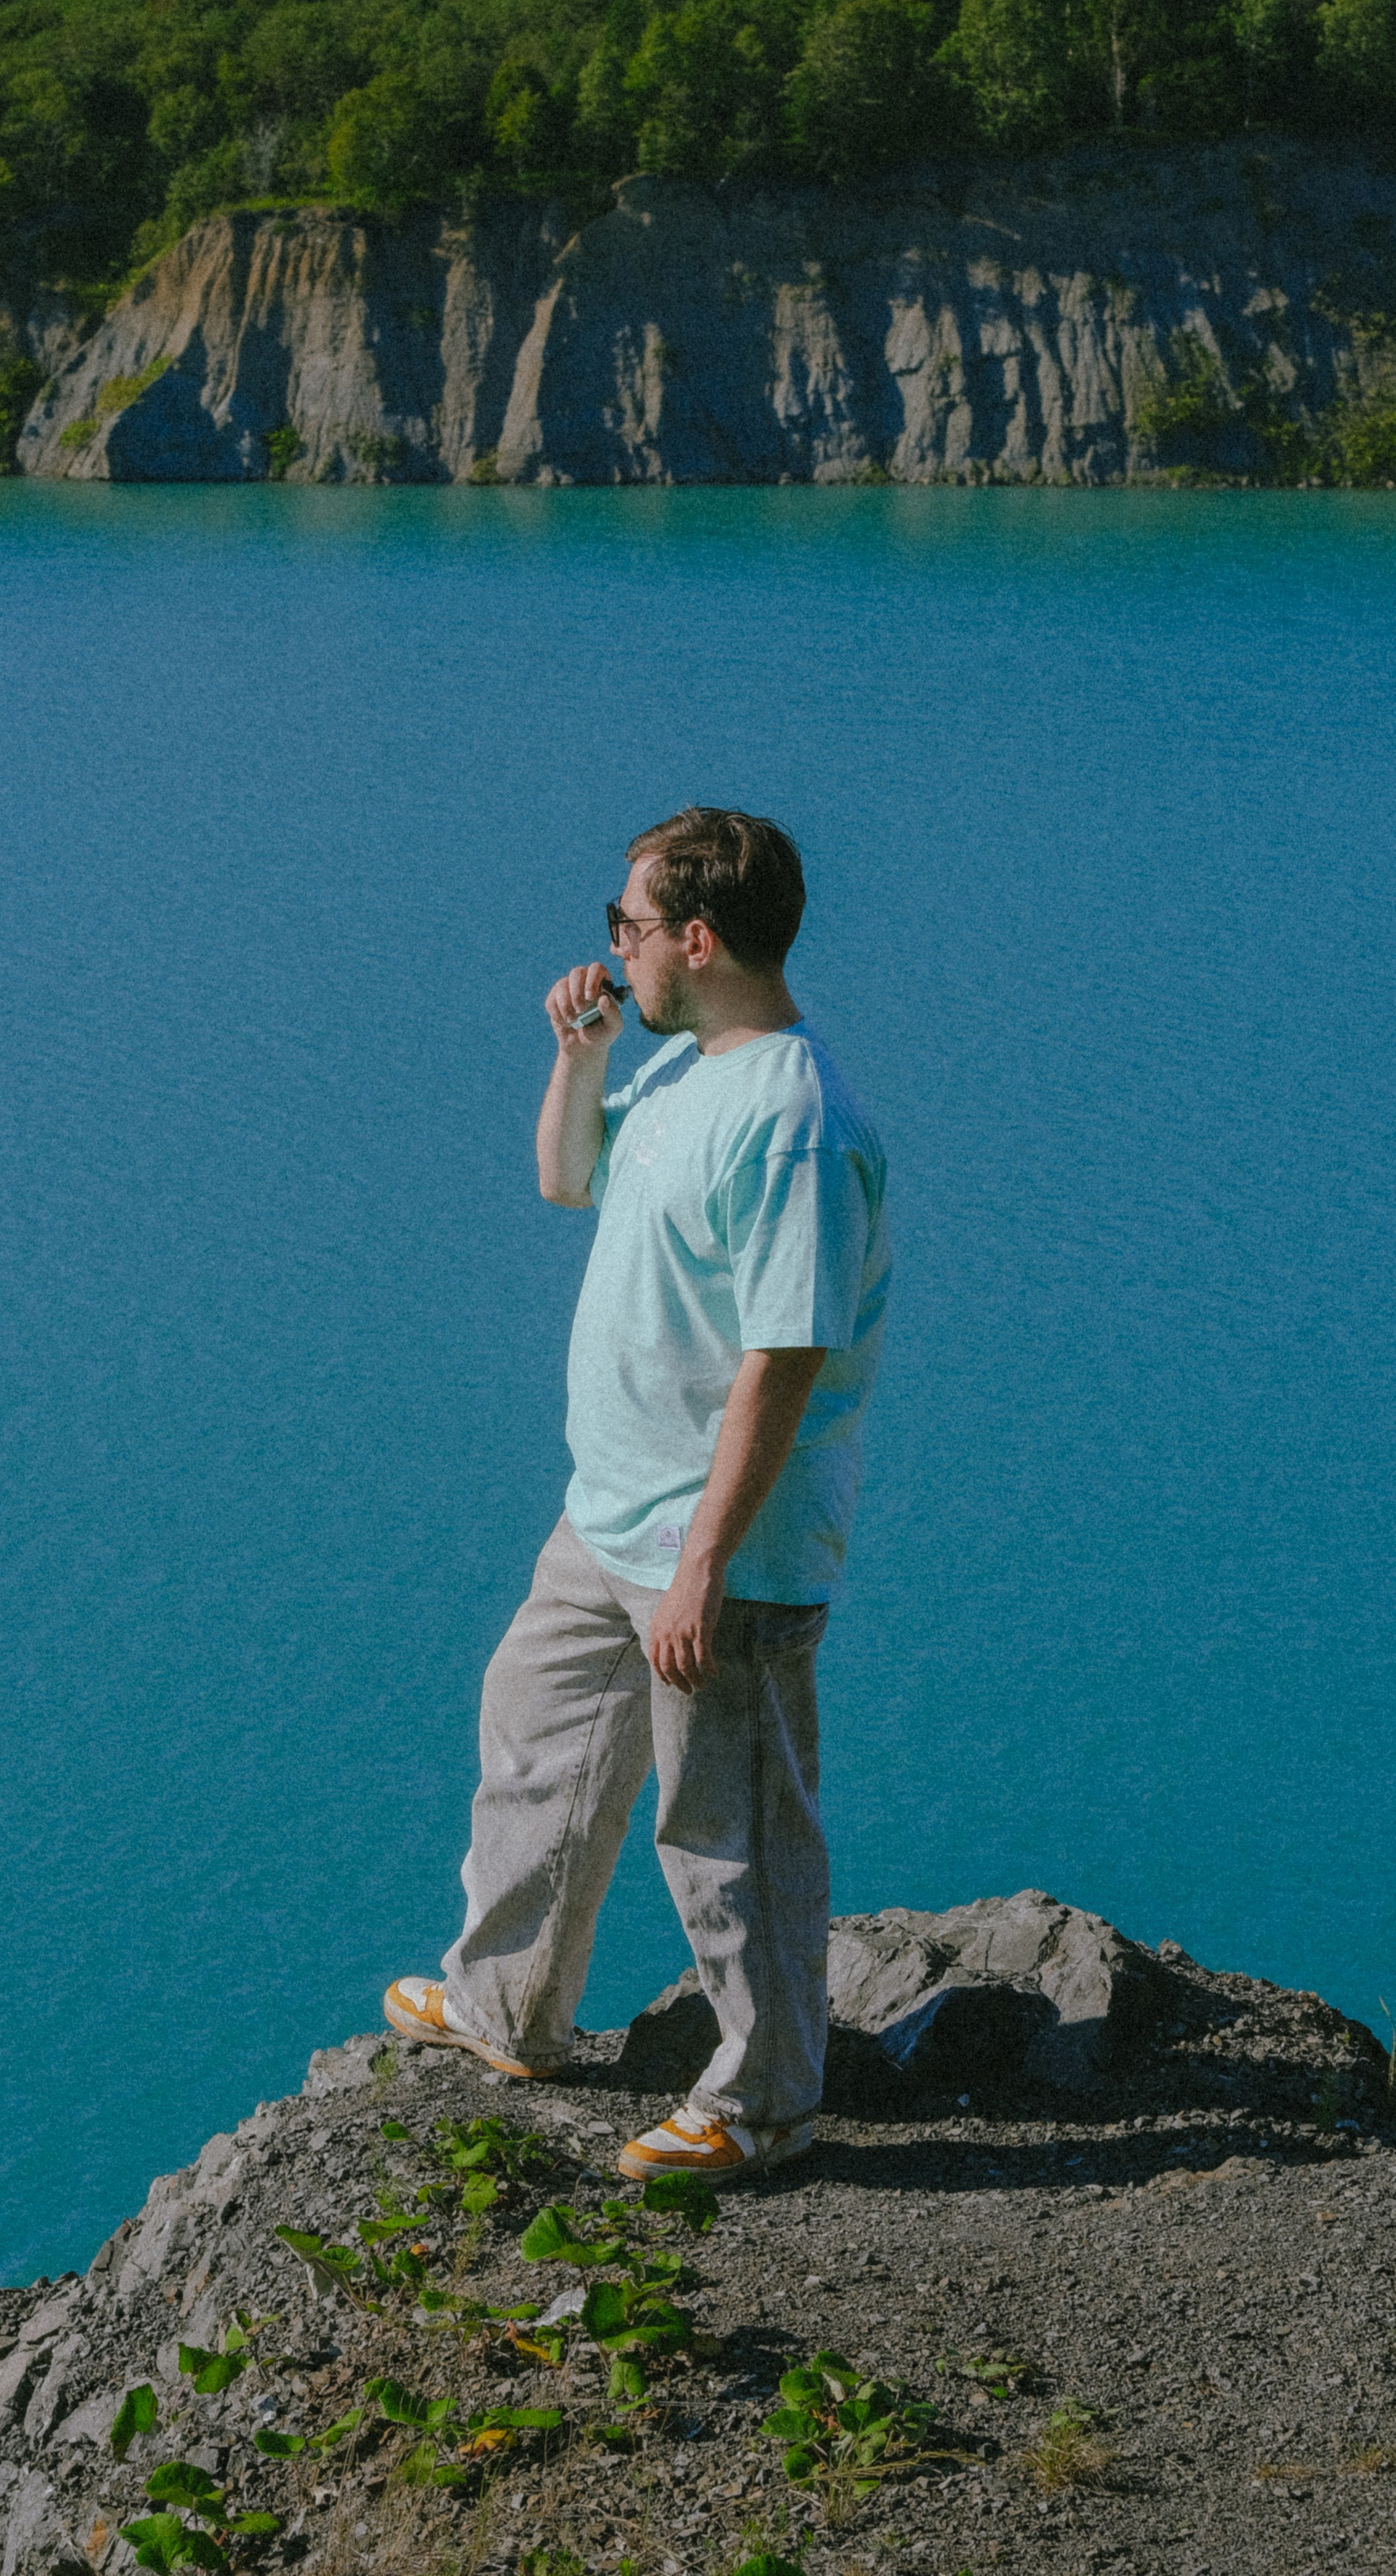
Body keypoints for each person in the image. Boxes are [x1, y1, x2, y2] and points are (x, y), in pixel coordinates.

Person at [384, 806, 891, 2181]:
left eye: (632, 924)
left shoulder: (794, 1122)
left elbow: (786, 1357)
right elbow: (567, 1181)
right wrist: (582, 1053)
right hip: (609, 1513)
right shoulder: (680, 1069)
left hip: (721, 1551)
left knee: (728, 1828)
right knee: (536, 1744)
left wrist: (705, 1566)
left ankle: (766, 2103)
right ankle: (507, 2009)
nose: (614, 946)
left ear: (700, 939)